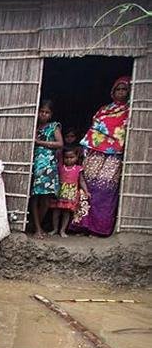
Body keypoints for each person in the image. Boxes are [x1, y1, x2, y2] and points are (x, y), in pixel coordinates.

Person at [71, 76, 131, 237]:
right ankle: (81, 226)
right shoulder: (104, 109)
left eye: (124, 89)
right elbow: (94, 128)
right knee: (86, 187)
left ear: (130, 91)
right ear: (113, 91)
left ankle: (99, 229)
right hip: (94, 152)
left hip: (114, 155)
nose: (120, 92)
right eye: (118, 89)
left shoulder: (131, 111)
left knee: (105, 189)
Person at [30, 100, 63, 239]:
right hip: (35, 164)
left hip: (48, 165)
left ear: (51, 114)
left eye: (47, 112)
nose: (43, 114)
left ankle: (37, 225)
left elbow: (60, 144)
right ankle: (37, 228)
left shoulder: (53, 126)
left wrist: (40, 142)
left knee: (45, 198)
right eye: (41, 111)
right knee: (35, 196)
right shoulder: (33, 126)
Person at [49, 146, 88, 238]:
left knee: (67, 212)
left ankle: (62, 230)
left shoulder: (78, 168)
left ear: (76, 157)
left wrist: (86, 191)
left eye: (71, 157)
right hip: (60, 192)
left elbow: (81, 181)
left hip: (71, 193)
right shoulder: (60, 167)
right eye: (66, 158)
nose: (69, 160)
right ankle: (55, 229)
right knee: (56, 211)